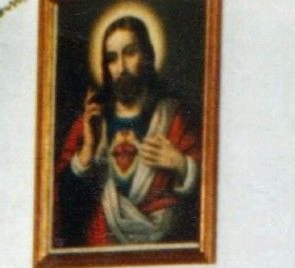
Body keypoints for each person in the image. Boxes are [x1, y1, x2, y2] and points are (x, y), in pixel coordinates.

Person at [57, 13, 201, 246]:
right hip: (101, 249)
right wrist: (87, 151)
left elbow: (209, 195)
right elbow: (60, 205)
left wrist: (181, 165)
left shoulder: (175, 118)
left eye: (130, 53)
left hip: (166, 251)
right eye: (112, 58)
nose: (121, 67)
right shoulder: (90, 124)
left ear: (148, 56)